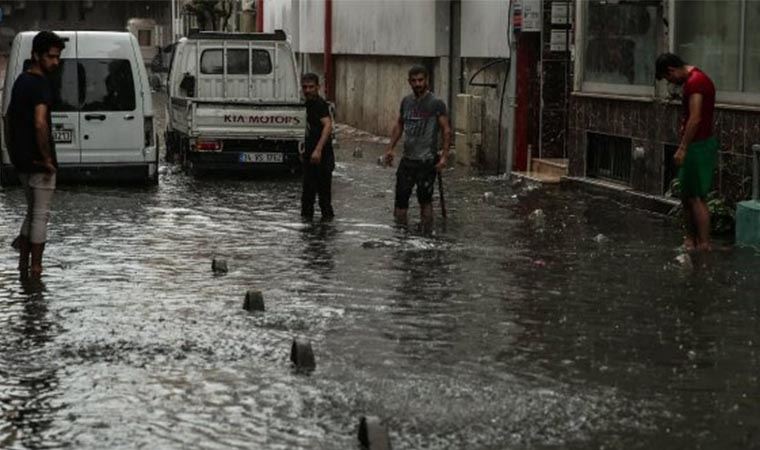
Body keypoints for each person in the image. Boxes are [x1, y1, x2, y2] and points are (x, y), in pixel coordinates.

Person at [6, 31, 65, 278]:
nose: (55, 62)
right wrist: (47, 160)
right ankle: (37, 268)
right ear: (36, 55)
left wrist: (13, 152)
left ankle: (23, 263)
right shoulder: (41, 84)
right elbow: (41, 124)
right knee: (40, 215)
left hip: (21, 161)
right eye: (51, 57)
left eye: (58, 57)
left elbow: (8, 119)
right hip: (39, 163)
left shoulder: (21, 81)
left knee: (31, 211)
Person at [656, 53, 718, 252]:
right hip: (696, 144)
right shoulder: (695, 80)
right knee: (686, 194)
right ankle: (691, 240)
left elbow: (695, 118)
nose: (671, 83)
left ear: (671, 70)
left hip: (698, 146)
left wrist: (683, 147)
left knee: (696, 197)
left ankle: (704, 244)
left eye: (668, 79)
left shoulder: (695, 83)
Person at [383, 65, 451, 233]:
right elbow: (400, 124)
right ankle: (400, 236)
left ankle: (426, 235)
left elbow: (446, 130)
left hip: (427, 161)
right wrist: (390, 148)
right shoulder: (406, 102)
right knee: (400, 202)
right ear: (409, 82)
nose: (417, 84)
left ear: (426, 80)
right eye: (414, 81)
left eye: (420, 80)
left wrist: (444, 157)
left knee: (425, 201)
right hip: (408, 160)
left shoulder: (436, 103)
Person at [300, 73, 335, 221]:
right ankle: (309, 233)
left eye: (311, 87)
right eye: (305, 87)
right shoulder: (305, 104)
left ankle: (325, 233)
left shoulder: (320, 104)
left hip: (322, 157)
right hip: (310, 156)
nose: (307, 90)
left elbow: (328, 125)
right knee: (307, 197)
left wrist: (318, 150)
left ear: (318, 87)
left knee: (324, 198)